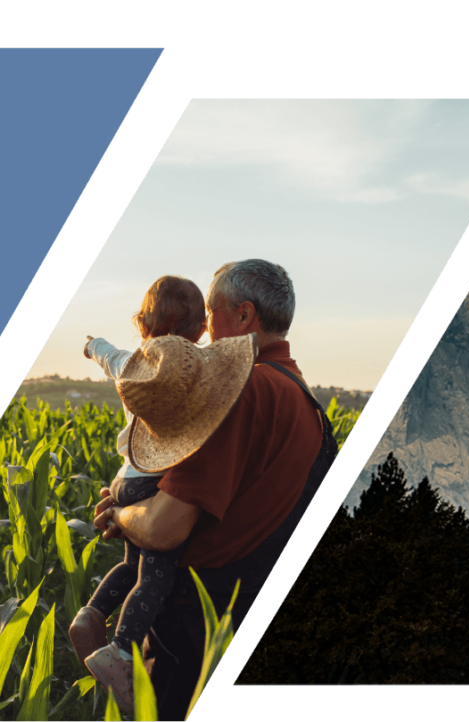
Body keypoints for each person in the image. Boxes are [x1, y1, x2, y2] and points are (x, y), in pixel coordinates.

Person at [91, 259, 338, 720]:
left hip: (193, 632)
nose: (203, 327)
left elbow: (164, 528)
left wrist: (120, 516)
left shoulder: (241, 391)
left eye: (212, 311)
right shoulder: (305, 402)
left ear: (244, 317)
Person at [69, 275, 245, 716]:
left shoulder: (131, 366)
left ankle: (90, 615)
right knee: (156, 576)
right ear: (200, 332)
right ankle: (123, 650)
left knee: (130, 567)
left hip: (127, 476)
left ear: (144, 323)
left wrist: (93, 345)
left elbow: (107, 354)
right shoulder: (192, 373)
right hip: (157, 480)